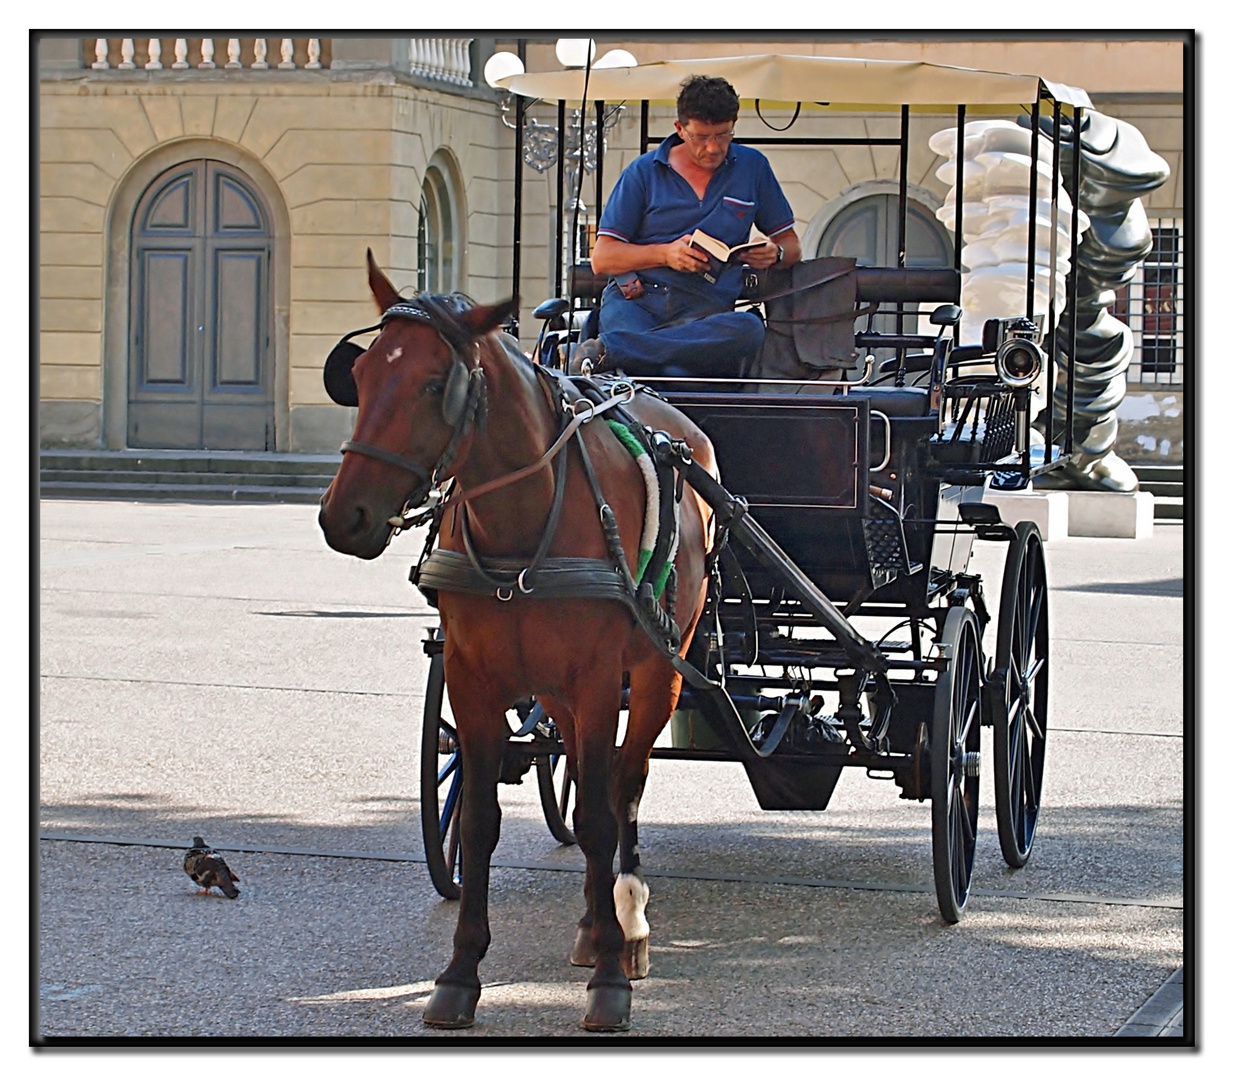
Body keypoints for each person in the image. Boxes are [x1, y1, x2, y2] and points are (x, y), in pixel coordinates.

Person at [574, 74, 802, 379]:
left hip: (705, 311)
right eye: (701, 137)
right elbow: (602, 258)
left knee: (749, 328)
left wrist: (775, 254)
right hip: (638, 302)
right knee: (674, 369)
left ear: (734, 124)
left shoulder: (753, 167)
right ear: (680, 129)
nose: (712, 148)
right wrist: (666, 255)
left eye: (722, 135)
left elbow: (792, 247)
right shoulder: (643, 172)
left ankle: (617, 349)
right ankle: (643, 351)